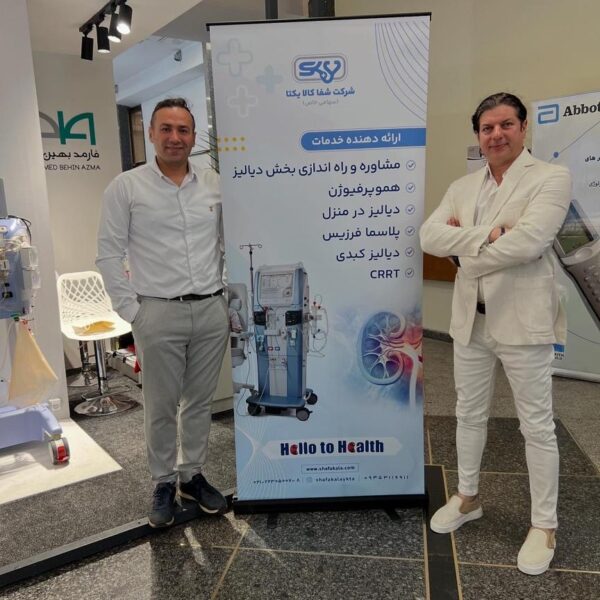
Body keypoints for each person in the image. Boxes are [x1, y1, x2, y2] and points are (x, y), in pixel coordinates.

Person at [420, 92, 571, 575]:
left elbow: (530, 242)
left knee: (536, 425)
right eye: (487, 128)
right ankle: (468, 497)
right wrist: (488, 235)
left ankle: (544, 524)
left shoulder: (550, 177)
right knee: (468, 413)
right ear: (478, 135)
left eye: (506, 124)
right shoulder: (462, 186)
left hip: (523, 323)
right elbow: (428, 236)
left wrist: (462, 252)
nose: (496, 134)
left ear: (523, 128)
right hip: (472, 320)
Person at [97, 97, 230, 528]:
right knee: (161, 404)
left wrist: (225, 294)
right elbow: (108, 254)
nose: (175, 137)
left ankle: (191, 475)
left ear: (193, 136)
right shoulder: (127, 187)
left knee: (199, 401)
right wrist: (132, 312)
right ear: (152, 134)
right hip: (157, 312)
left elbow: (228, 242)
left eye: (183, 130)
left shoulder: (214, 184)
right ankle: (162, 481)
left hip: (209, 309)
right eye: (166, 129)